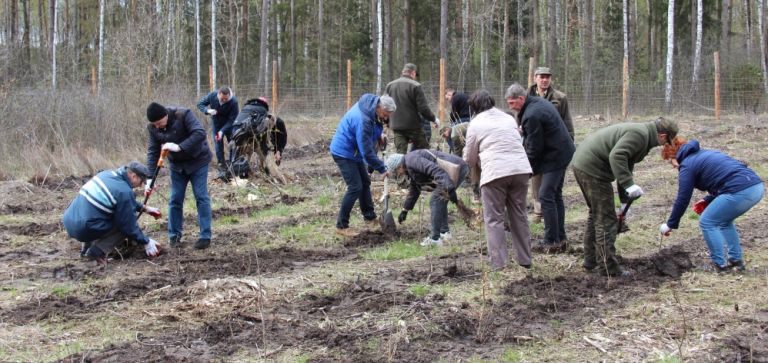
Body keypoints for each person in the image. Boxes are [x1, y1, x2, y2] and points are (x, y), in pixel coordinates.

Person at [571, 117, 679, 277]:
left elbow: (626, 165)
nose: (663, 145)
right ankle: (609, 269)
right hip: (592, 169)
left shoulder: (642, 134)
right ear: (662, 135)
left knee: (596, 214)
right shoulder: (640, 135)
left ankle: (590, 261)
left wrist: (624, 200)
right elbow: (617, 156)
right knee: (606, 220)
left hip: (583, 164)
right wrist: (629, 184)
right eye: (665, 141)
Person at [659, 139, 764, 272]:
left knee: (707, 221)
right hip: (756, 186)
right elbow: (723, 177)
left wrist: (670, 224)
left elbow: (683, 197)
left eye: (670, 161)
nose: (673, 166)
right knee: (724, 221)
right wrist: (708, 199)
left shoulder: (687, 165)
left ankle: (720, 265)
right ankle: (736, 261)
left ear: (674, 155)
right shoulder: (704, 154)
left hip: (739, 190)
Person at [463, 90, 533, 271]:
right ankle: (525, 259)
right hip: (520, 169)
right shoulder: (508, 118)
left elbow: (469, 159)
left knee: (494, 219)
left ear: (474, 108)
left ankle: (499, 264)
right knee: (519, 214)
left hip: (494, 173)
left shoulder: (475, 123)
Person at [506, 83, 575, 253]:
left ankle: (551, 241)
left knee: (545, 196)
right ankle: (560, 237)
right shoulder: (535, 103)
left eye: (512, 103)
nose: (510, 107)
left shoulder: (531, 114)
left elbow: (534, 149)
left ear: (521, 99)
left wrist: (526, 172)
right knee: (555, 195)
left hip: (556, 156)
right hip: (562, 151)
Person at [62, 162, 162, 264]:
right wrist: (146, 242)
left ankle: (85, 252)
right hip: (84, 228)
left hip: (70, 220)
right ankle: (96, 252)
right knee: (123, 224)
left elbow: (118, 199)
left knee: (94, 213)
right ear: (133, 176)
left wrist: (145, 208)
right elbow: (128, 226)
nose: (141, 185)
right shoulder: (124, 191)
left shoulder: (106, 174)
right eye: (142, 181)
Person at [145, 102, 213, 250]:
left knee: (201, 197)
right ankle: (174, 236)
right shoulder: (153, 128)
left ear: (165, 116)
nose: (157, 126)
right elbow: (153, 151)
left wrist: (179, 147)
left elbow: (200, 133)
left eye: (159, 123)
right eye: (154, 124)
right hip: (177, 167)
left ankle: (205, 236)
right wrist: (150, 177)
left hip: (198, 161)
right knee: (175, 199)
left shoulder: (183, 114)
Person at [329, 94, 395, 237]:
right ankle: (341, 226)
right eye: (385, 114)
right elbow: (367, 152)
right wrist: (382, 168)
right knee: (355, 187)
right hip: (344, 152)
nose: (386, 118)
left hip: (353, 151)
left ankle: (369, 217)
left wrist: (379, 134)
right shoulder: (363, 120)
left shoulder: (370, 107)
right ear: (379, 107)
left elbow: (373, 126)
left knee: (365, 182)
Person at [386, 150, 469, 246]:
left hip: (455, 168)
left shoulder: (412, 160)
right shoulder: (409, 166)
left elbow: (435, 170)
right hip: (452, 170)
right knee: (440, 200)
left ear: (399, 166)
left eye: (396, 172)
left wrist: (448, 186)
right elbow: (415, 189)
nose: (398, 174)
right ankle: (444, 232)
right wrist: (405, 209)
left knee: (435, 200)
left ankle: (434, 239)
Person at [526, 67, 575, 224]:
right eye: (541, 77)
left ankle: (550, 215)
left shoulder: (560, 98)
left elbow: (567, 124)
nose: (544, 80)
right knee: (535, 180)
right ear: (535, 78)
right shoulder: (526, 96)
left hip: (555, 148)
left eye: (547, 77)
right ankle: (538, 211)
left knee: (552, 187)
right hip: (535, 144)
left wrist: (569, 144)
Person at [385, 63, 438, 153]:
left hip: (396, 126)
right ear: (413, 73)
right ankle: (417, 166)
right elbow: (423, 109)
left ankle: (402, 166)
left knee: (400, 154)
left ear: (403, 72)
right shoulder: (416, 85)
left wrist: (387, 122)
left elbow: (385, 105)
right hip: (413, 126)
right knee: (424, 151)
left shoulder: (390, 85)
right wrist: (434, 119)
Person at [229, 97, 288, 176]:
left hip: (263, 143)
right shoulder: (251, 119)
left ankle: (266, 171)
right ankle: (247, 172)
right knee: (248, 154)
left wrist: (278, 151)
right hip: (251, 142)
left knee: (267, 160)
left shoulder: (276, 122)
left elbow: (281, 138)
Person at [197, 87, 239, 177]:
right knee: (218, 145)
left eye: (226, 99)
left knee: (232, 144)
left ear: (229, 96)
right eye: (222, 98)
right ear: (218, 94)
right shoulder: (212, 95)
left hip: (229, 125)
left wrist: (222, 131)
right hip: (216, 124)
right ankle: (221, 165)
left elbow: (232, 120)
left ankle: (232, 165)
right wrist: (207, 110)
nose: (224, 100)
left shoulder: (234, 102)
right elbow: (200, 104)